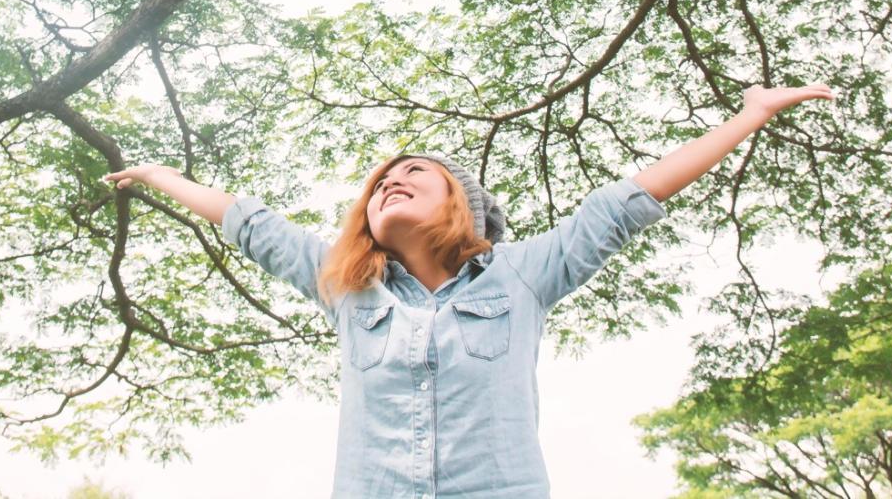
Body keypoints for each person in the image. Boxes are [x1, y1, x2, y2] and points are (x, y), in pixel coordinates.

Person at [102, 82, 835, 498]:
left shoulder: (523, 275)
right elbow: (248, 221)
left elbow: (626, 201)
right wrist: (160, 174)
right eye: (381, 182)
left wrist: (751, 115)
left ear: (464, 206)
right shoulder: (344, 287)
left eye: (414, 173)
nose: (391, 179)